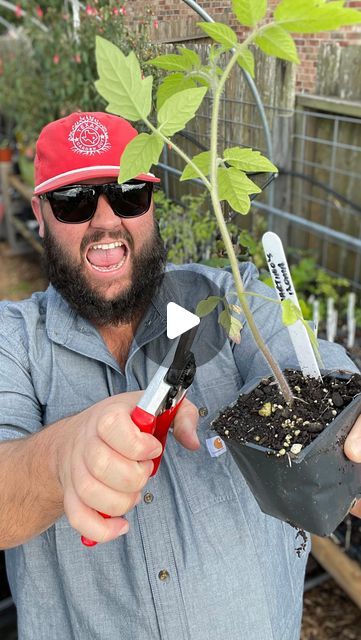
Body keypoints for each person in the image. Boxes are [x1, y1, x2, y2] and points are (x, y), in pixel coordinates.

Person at [0, 111, 360, 640]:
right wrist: (63, 456)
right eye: (73, 200)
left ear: (152, 200)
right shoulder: (14, 341)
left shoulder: (230, 299)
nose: (104, 221)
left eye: (127, 194)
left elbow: (302, 359)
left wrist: (348, 423)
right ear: (39, 212)